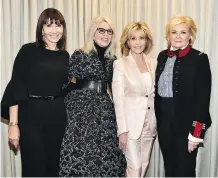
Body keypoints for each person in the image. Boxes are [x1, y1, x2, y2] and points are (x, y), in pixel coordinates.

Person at [1, 8, 69, 177]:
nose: (54, 30)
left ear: (63, 28)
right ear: (41, 29)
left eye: (58, 25)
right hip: (31, 116)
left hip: (57, 117)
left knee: (54, 168)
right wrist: (13, 125)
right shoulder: (28, 51)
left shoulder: (65, 56)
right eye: (48, 25)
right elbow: (16, 86)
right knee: (34, 168)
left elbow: (67, 88)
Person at [59, 16, 126, 177]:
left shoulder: (113, 60)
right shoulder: (80, 54)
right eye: (101, 30)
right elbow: (67, 85)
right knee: (81, 156)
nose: (105, 34)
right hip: (82, 113)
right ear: (93, 33)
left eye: (109, 31)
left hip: (105, 113)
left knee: (107, 158)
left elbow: (116, 90)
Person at [155, 14, 212, 177]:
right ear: (168, 35)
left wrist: (196, 134)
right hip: (165, 126)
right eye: (174, 32)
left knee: (185, 171)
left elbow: (203, 100)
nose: (178, 36)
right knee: (170, 170)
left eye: (183, 32)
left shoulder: (199, 58)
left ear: (190, 35)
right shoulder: (161, 56)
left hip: (187, 128)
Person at [112, 22, 157, 177]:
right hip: (130, 126)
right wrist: (122, 131)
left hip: (149, 125)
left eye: (141, 38)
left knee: (143, 167)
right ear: (127, 41)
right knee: (135, 168)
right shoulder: (120, 64)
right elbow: (118, 100)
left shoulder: (153, 62)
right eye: (133, 38)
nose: (138, 42)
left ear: (147, 40)